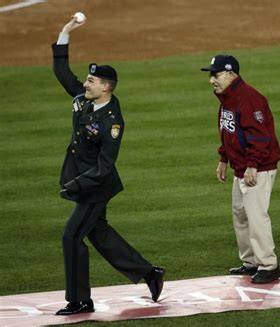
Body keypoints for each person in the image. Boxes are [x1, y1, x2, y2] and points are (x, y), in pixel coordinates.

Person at [52, 15, 164, 315]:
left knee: (71, 236)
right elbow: (62, 72)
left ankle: (79, 300)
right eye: (87, 80)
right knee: (98, 233)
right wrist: (65, 33)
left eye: (91, 81)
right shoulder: (86, 101)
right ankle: (150, 273)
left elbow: (104, 166)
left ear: (106, 88)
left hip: (96, 185)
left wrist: (76, 185)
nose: (84, 83)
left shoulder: (112, 122)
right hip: (84, 182)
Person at [201, 54, 280, 284]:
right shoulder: (227, 97)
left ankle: (269, 265)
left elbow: (260, 137)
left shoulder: (249, 99)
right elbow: (229, 130)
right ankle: (250, 262)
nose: (211, 80)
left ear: (231, 74)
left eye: (215, 75)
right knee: (241, 215)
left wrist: (253, 164)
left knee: (256, 216)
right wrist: (223, 158)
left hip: (257, 168)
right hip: (241, 167)